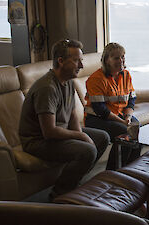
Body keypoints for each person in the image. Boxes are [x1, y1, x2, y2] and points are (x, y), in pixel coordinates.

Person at [19, 39, 110, 198]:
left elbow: (72, 113)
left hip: (59, 134)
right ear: (61, 61)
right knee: (87, 150)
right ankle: (59, 194)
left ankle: (74, 182)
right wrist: (81, 136)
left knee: (102, 137)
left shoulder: (68, 82)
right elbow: (49, 131)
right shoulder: (47, 88)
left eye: (81, 61)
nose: (81, 66)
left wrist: (79, 133)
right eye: (76, 61)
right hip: (38, 141)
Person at [84, 42, 141, 170]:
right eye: (116, 58)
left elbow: (131, 99)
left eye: (122, 57)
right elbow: (100, 109)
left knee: (135, 128)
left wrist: (128, 117)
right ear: (106, 60)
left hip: (119, 114)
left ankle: (130, 170)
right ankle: (112, 171)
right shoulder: (96, 79)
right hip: (97, 119)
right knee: (124, 131)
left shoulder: (126, 75)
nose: (120, 60)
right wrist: (123, 122)